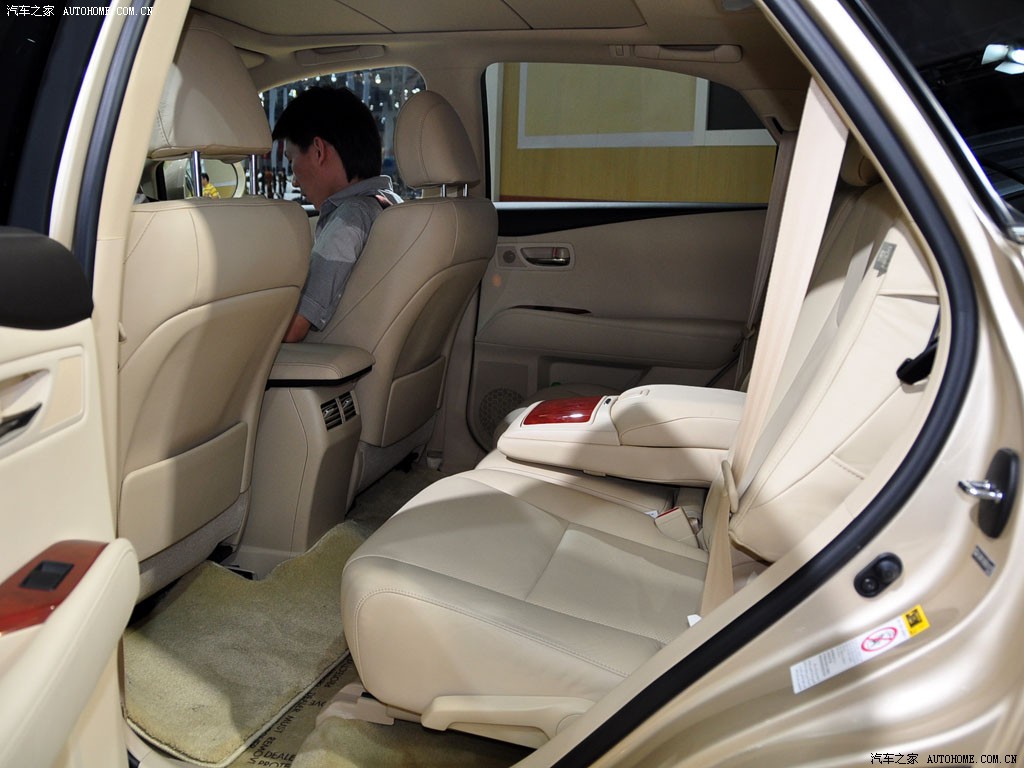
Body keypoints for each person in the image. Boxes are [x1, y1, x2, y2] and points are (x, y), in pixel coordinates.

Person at [272, 86, 401, 343]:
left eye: (292, 160)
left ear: (318, 151)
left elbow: (294, 328)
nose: (294, 181)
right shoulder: (391, 205)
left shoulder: (349, 219)